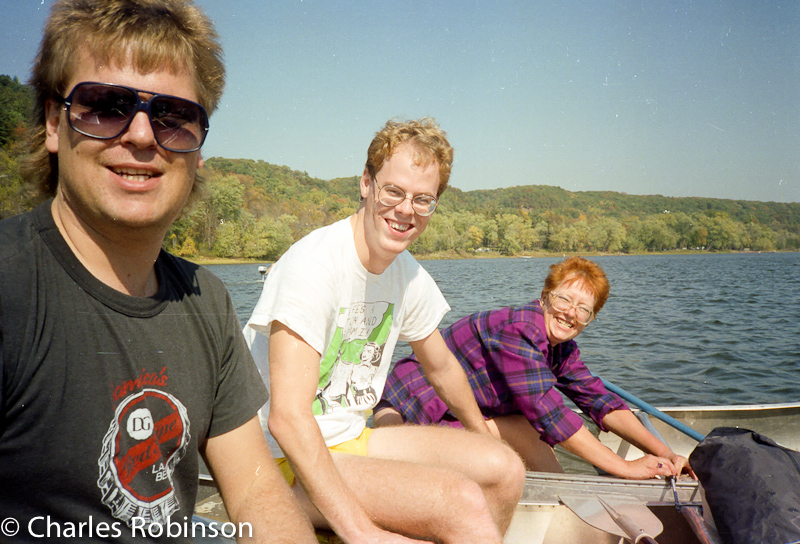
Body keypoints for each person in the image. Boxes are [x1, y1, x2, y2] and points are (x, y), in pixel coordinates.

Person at [0, 1, 317, 542]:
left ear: (197, 150)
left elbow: (257, 491)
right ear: (54, 122)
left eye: (173, 116)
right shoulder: (10, 288)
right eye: (106, 106)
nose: (143, 136)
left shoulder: (206, 300)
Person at [244, 118, 525, 544]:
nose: (406, 210)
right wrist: (363, 532)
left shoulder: (406, 274)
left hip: (350, 438)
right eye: (393, 191)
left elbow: (442, 366)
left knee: (505, 469)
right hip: (277, 460)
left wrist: (480, 430)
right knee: (459, 501)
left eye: (423, 199)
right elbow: (287, 419)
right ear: (366, 184)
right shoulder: (313, 267)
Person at [375, 256, 695, 481]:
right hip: (406, 415)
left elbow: (600, 401)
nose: (571, 313)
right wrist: (624, 467)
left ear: (591, 319)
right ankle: (556, 497)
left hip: (456, 414)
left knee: (533, 441)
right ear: (544, 298)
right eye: (564, 300)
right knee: (528, 428)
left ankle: (557, 493)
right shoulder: (520, 330)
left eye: (584, 310)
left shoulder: (561, 348)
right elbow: (549, 413)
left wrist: (665, 453)